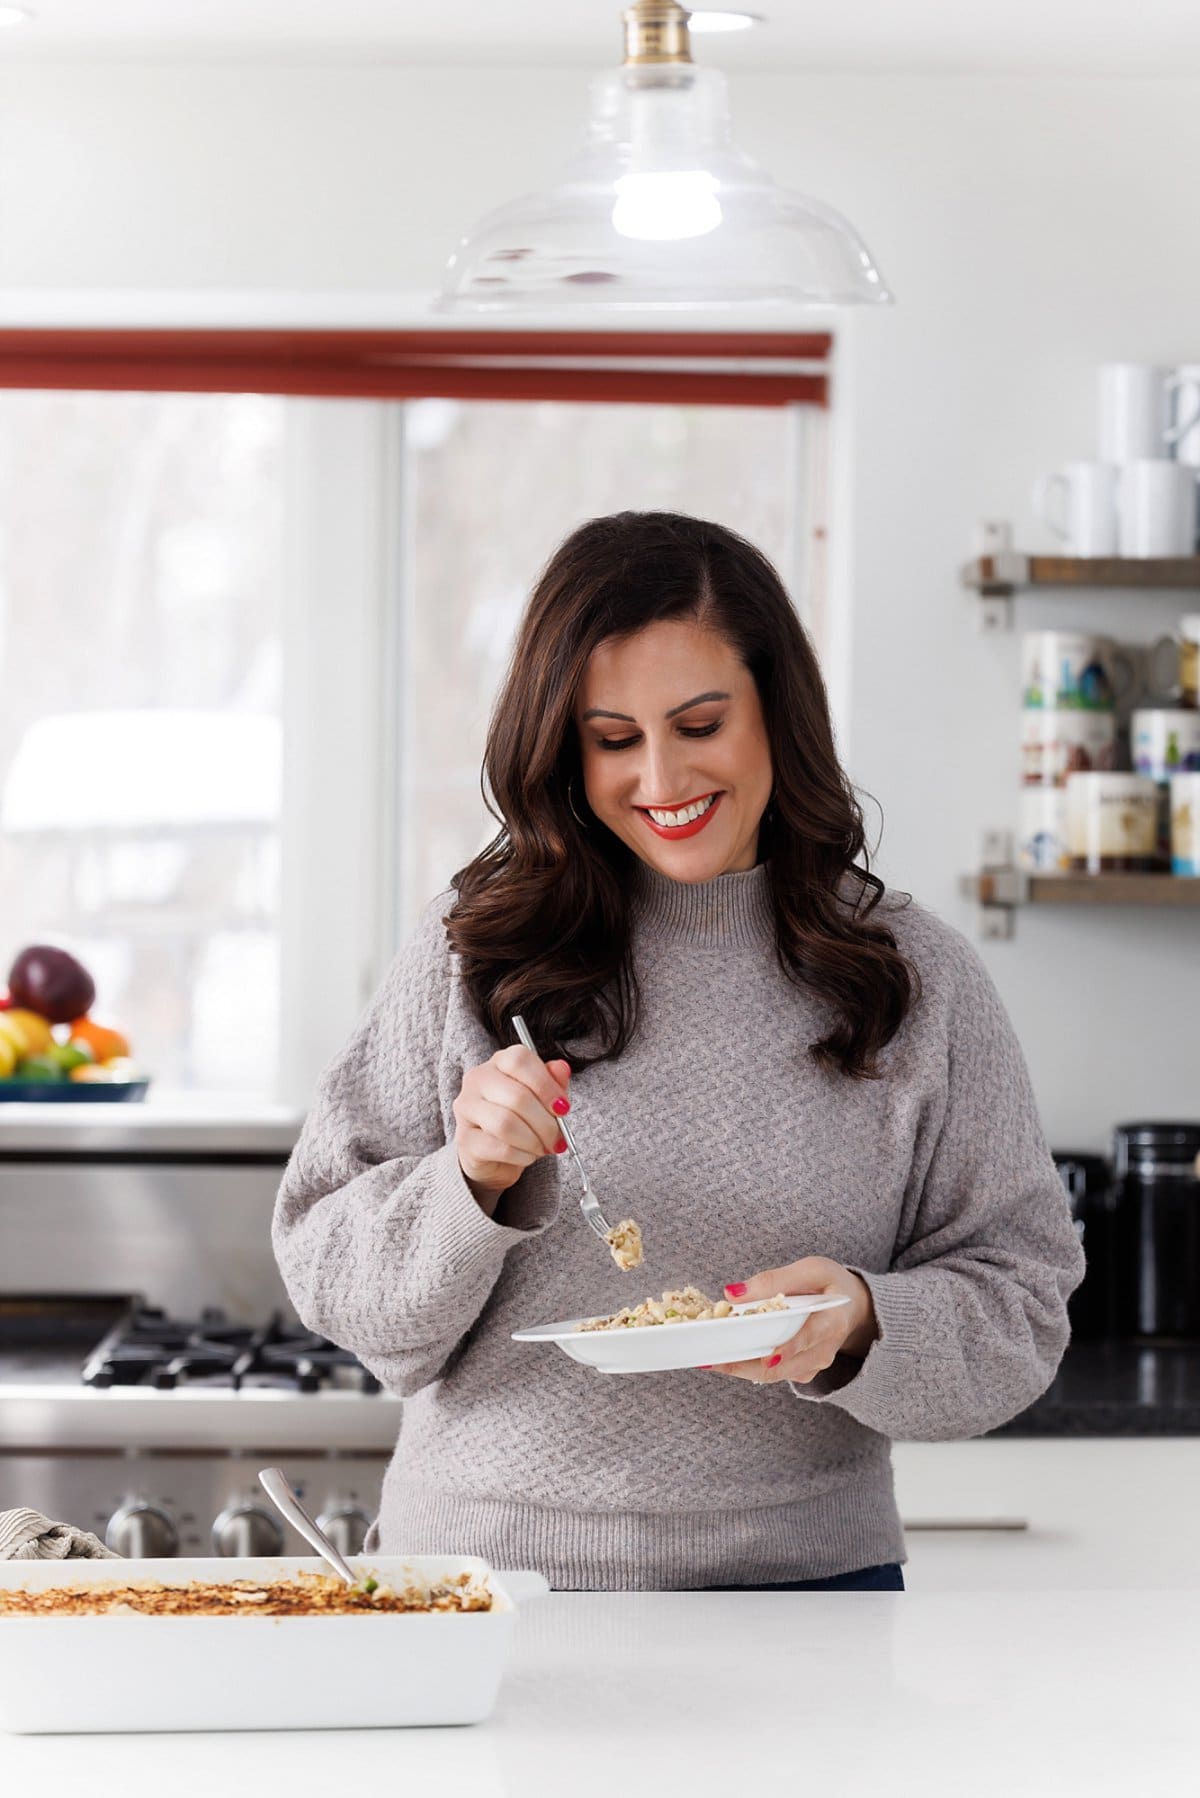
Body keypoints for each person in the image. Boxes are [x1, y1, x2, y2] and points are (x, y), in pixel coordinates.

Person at [272, 510, 1084, 1593]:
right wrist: (465, 1185)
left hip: (808, 1595)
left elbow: (1023, 1311)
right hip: (483, 1582)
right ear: (565, 744)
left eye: (700, 723)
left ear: (774, 716)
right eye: (614, 739)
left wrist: (860, 1323)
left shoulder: (913, 978)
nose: (661, 777)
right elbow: (339, 1281)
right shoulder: (475, 948)